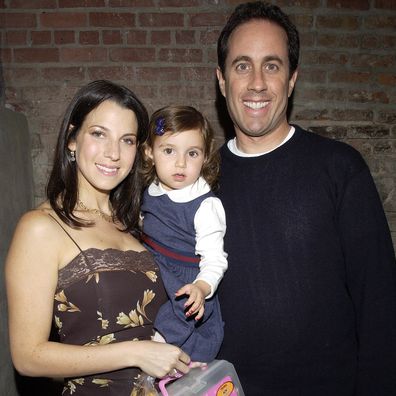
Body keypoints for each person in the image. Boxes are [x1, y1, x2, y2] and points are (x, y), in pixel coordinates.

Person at [215, 2, 396, 395]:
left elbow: (380, 303)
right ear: (222, 80)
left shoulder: (339, 168)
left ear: (292, 79)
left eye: (273, 65)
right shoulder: (200, 182)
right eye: (242, 65)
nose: (257, 82)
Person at [5, 80, 191, 396]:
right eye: (99, 133)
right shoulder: (40, 227)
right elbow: (27, 357)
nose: (113, 153)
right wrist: (136, 353)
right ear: (72, 139)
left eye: (127, 140)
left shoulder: (136, 223)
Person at [140, 105, 227, 362]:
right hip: (155, 266)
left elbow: (215, 258)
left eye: (192, 153)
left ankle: (159, 346)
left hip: (185, 279)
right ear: (149, 153)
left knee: (180, 312)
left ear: (205, 156)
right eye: (169, 150)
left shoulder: (206, 205)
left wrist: (202, 286)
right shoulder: (152, 188)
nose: (181, 163)